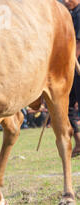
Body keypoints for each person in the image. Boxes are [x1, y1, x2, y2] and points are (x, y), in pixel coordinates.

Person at [64, 0, 80, 157]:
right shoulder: (68, 13)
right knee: (67, 106)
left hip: (77, 66)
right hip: (73, 69)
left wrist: (68, 64)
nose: (66, 1)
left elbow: (78, 44)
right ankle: (79, 141)